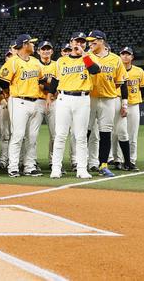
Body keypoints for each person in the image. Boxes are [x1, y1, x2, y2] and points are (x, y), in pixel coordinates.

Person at [48, 32, 93, 179]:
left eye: (82, 42)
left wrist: (84, 55)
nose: (79, 44)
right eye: (76, 41)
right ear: (71, 42)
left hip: (82, 98)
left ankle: (82, 169)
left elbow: (95, 70)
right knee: (60, 135)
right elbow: (55, 80)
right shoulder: (61, 61)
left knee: (80, 136)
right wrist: (50, 94)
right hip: (64, 98)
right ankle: (56, 168)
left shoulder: (88, 58)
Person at [0, 34, 45, 177]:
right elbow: (3, 83)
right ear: (24, 45)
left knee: (32, 136)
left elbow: (42, 81)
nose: (33, 45)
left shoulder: (36, 62)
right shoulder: (13, 62)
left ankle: (29, 166)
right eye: (31, 43)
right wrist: (9, 94)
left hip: (35, 101)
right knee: (18, 135)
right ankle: (13, 167)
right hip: (19, 101)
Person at [83, 30, 127, 177]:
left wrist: (109, 91)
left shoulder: (115, 59)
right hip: (89, 98)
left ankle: (103, 165)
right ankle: (82, 163)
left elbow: (119, 82)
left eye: (93, 41)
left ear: (102, 41)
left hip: (108, 99)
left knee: (105, 133)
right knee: (86, 131)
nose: (90, 44)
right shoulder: (86, 56)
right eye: (89, 41)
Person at [118, 46, 144, 171]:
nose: (125, 56)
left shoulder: (139, 71)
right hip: (118, 104)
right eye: (123, 54)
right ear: (120, 56)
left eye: (128, 54)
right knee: (118, 134)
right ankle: (117, 160)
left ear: (132, 57)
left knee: (132, 135)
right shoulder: (116, 69)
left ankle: (131, 160)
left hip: (134, 104)